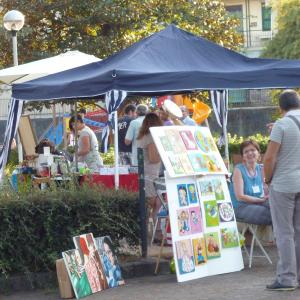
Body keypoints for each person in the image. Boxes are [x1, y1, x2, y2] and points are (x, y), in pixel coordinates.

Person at [264, 89, 300, 291]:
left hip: (284, 184)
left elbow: (269, 157)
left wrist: (268, 179)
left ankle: (287, 278)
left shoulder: (282, 124)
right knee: (299, 232)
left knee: (284, 232)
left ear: (280, 107)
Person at [230, 140, 272, 225]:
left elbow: (266, 189)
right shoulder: (238, 170)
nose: (249, 153)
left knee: (279, 208)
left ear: (258, 153)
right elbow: (240, 197)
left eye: (253, 150)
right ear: (243, 157)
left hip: (257, 203)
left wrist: (269, 195)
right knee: (271, 214)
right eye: (246, 152)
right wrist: (260, 200)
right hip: (240, 206)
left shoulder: (261, 168)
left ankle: (280, 237)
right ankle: (278, 237)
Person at [136, 112, 163, 220]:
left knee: (155, 201)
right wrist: (164, 155)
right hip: (150, 173)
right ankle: (151, 229)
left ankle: (154, 229)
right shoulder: (151, 137)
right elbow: (153, 158)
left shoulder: (143, 135)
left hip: (146, 171)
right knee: (152, 202)